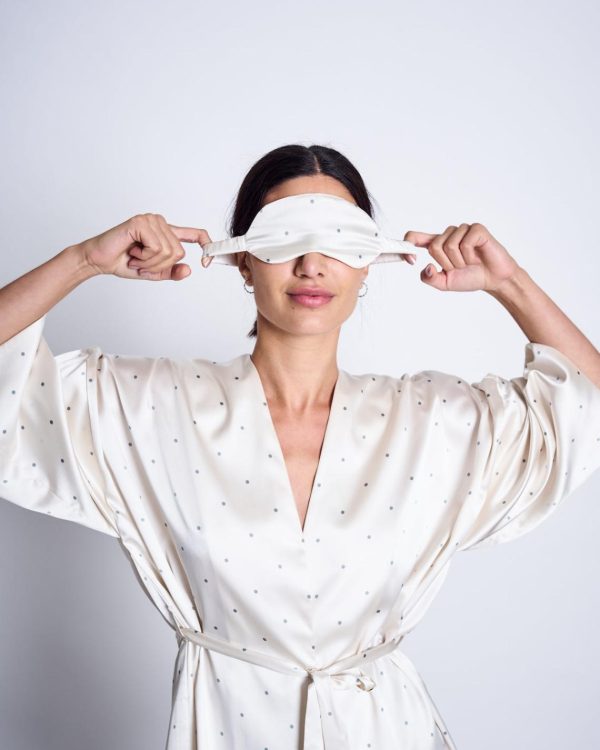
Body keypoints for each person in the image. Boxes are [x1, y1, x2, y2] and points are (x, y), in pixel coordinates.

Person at [1, 143, 599, 750]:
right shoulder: (148, 406)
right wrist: (80, 261)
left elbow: (585, 410)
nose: (312, 264)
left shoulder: (432, 420)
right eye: (285, 237)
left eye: (339, 240)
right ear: (243, 259)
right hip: (229, 728)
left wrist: (510, 284)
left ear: (368, 262)